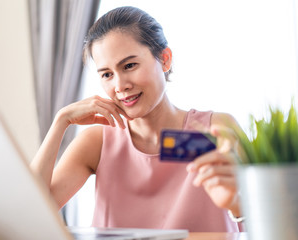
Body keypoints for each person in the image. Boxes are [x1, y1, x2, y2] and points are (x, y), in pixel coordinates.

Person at [31, 6, 244, 232]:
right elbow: (31, 212)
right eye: (107, 74)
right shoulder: (98, 142)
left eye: (129, 65)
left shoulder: (216, 130)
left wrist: (238, 205)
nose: (120, 85)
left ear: (165, 59)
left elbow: (267, 213)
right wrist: (60, 121)